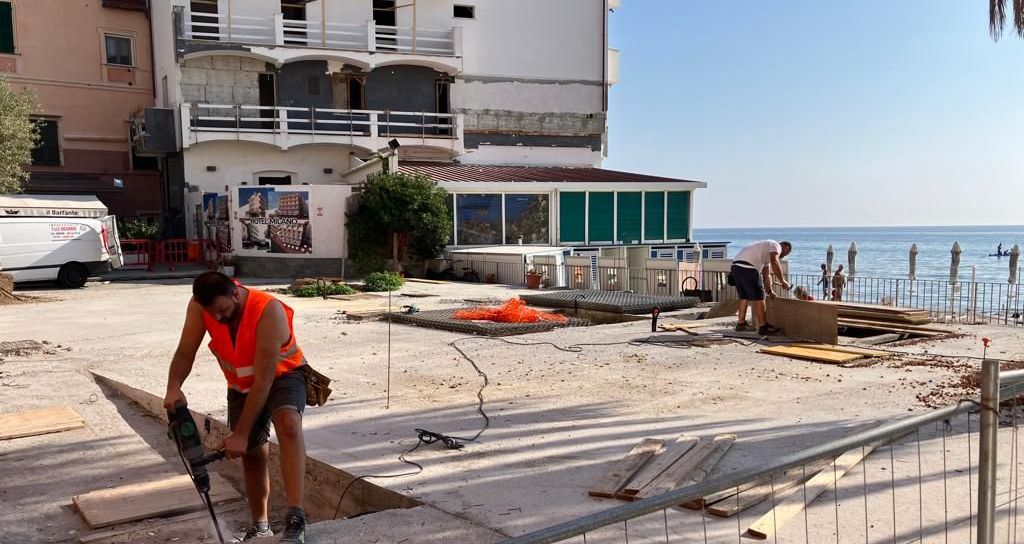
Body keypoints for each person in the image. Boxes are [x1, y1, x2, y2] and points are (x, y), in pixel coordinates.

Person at [164, 271, 309, 543]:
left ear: (235, 293)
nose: (218, 318)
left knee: (289, 424)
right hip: (242, 384)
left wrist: (241, 434)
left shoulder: (268, 310)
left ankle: (296, 519)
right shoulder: (200, 307)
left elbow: (264, 380)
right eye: (212, 313)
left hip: (283, 375)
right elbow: (185, 351)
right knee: (252, 453)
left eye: (223, 310)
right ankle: (260, 525)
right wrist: (173, 387)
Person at [730, 240, 792, 335]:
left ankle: (741, 324)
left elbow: (766, 275)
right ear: (786, 247)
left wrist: (770, 291)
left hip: (736, 267)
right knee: (760, 298)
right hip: (748, 268)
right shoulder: (775, 245)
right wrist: (783, 281)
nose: (782, 256)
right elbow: (775, 262)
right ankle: (763, 327)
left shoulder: (764, 253)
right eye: (785, 254)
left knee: (744, 296)